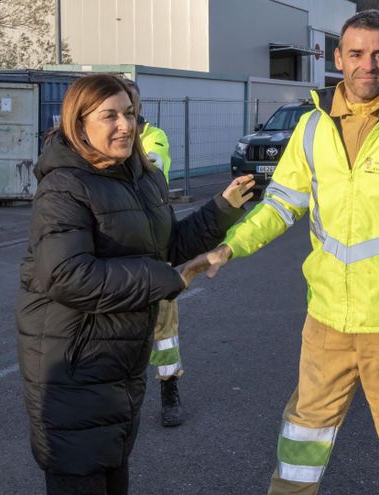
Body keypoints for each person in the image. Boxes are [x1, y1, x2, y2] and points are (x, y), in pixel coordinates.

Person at [184, 10, 379, 494]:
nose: (369, 65)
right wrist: (229, 247)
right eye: (358, 54)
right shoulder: (312, 128)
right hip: (326, 321)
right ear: (337, 58)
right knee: (303, 436)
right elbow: (281, 204)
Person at [15, 74, 253, 494]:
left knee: (114, 470)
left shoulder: (141, 177)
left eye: (129, 114)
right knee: (81, 472)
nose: (125, 125)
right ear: (79, 122)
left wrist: (221, 210)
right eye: (109, 115)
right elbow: (69, 276)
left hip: (120, 362)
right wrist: (168, 278)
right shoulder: (64, 186)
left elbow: (168, 244)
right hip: (74, 362)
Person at [125, 79, 185, 426]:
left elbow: (151, 168)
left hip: (153, 244)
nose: (124, 116)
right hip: (118, 246)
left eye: (130, 107)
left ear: (139, 108)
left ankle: (169, 390)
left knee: (164, 328)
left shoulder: (154, 137)